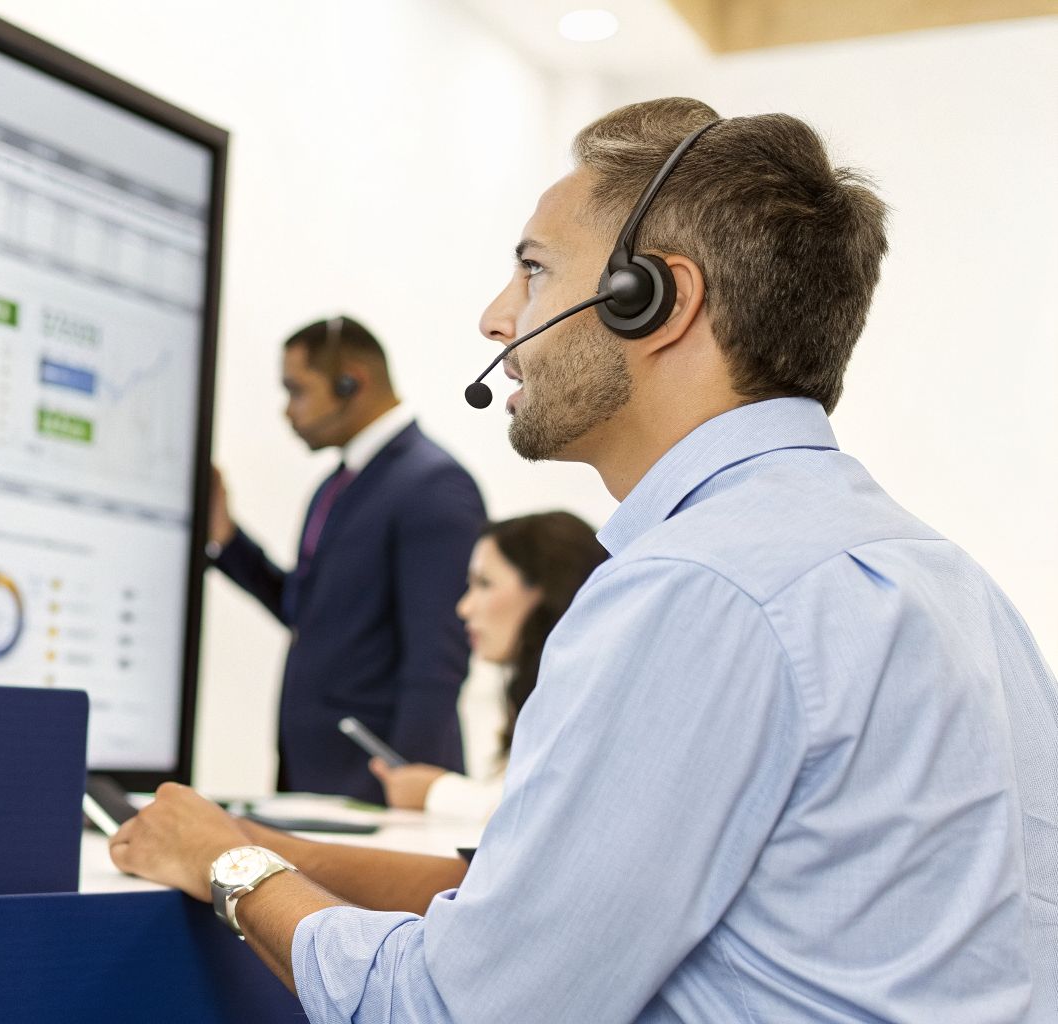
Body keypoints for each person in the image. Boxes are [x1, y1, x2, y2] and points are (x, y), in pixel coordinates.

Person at [111, 97, 1057, 1021]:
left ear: (653, 300)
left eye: (532, 270)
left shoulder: (694, 588)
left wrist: (230, 867)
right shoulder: (946, 577)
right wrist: (266, 843)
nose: (495, 319)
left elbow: (448, 1008)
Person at [208, 316, 486, 803]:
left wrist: (409, 788)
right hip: (318, 782)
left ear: (350, 382)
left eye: (296, 390)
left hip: (378, 790)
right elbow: (308, 613)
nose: (287, 411)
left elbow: (437, 661)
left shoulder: (434, 485)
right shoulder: (339, 485)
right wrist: (226, 538)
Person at [370, 511, 608, 820]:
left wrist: (436, 792)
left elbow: (540, 811)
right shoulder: (532, 690)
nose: (464, 607)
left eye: (484, 584)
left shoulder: (588, 695)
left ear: (548, 589)